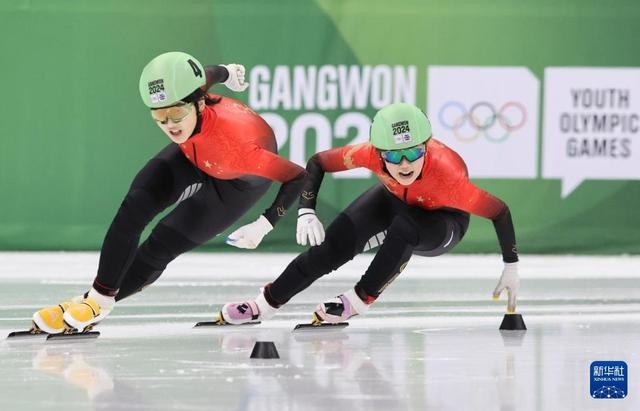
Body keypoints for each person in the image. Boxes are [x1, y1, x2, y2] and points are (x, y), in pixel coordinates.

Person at [32, 51, 307, 334]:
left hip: (235, 184)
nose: (170, 124)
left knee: (161, 246)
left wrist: (266, 223)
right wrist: (228, 72)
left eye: (176, 113)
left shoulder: (240, 148)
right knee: (134, 208)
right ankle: (97, 300)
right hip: (195, 154)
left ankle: (94, 303)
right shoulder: (190, 90)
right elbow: (209, 73)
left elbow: (299, 176)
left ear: (200, 104)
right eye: (160, 116)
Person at [219, 102, 519, 325]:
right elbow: (318, 162)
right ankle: (264, 304)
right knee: (329, 248)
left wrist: (511, 265)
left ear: (427, 147)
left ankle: (358, 300)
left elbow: (499, 211)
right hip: (394, 199)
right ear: (378, 153)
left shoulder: (448, 175)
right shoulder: (367, 154)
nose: (405, 164)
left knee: (404, 227)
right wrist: (306, 210)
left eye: (414, 152)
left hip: (443, 222)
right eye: (394, 156)